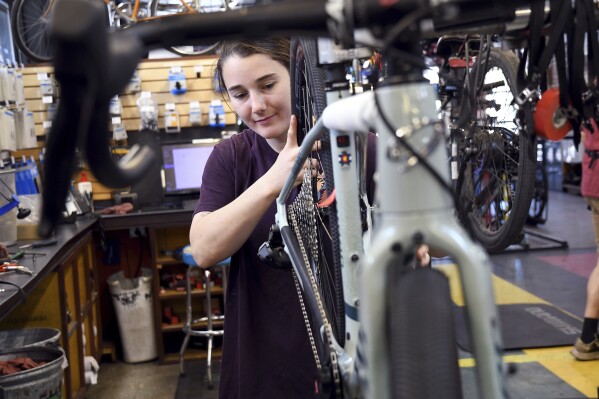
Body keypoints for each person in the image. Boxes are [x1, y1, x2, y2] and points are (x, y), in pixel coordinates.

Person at [189, 37, 378, 398]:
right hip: (267, 365)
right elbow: (204, 249)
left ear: (297, 75)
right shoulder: (232, 159)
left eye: (267, 85)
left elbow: (433, 244)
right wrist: (273, 182)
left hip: (362, 359)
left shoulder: (358, 148)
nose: (256, 105)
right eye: (240, 94)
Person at [571, 124, 599, 361]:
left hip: (593, 181)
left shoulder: (589, 88)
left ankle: (588, 338)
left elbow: (582, 132)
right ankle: (588, 338)